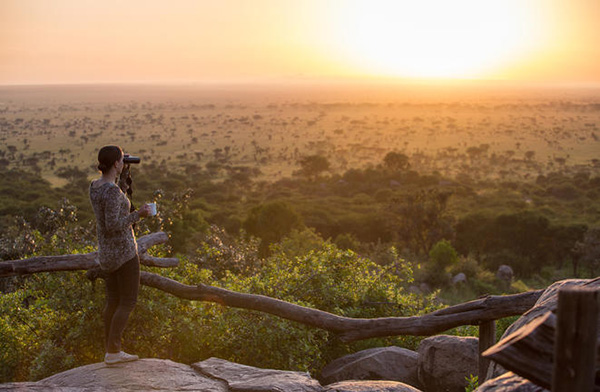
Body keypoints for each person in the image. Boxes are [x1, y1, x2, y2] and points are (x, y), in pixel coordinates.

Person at [89, 145, 152, 365]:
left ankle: (110, 350)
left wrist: (123, 176)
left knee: (113, 301)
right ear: (116, 163)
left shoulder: (95, 187)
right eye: (121, 160)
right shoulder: (112, 192)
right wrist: (139, 215)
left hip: (106, 254)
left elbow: (113, 204)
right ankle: (114, 351)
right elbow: (113, 223)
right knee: (128, 302)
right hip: (124, 253)